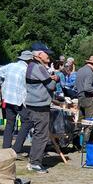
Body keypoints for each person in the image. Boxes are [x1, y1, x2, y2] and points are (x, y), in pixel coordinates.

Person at [13, 45, 58, 173]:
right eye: (46, 53)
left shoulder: (32, 66)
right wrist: (56, 78)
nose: (48, 55)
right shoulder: (38, 67)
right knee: (41, 135)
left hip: (33, 104)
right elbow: (51, 86)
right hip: (39, 106)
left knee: (38, 133)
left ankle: (34, 160)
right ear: (39, 55)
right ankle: (35, 163)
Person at [0, 51, 32, 149]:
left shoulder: (10, 66)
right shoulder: (26, 70)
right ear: (29, 60)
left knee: (9, 123)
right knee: (27, 122)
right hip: (20, 100)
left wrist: (2, 83)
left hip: (8, 98)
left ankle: (6, 147)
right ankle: (16, 148)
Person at [75, 55, 93, 148]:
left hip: (80, 97)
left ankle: (75, 143)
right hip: (88, 99)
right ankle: (85, 146)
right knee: (90, 123)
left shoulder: (80, 70)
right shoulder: (89, 73)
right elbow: (87, 87)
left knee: (79, 122)